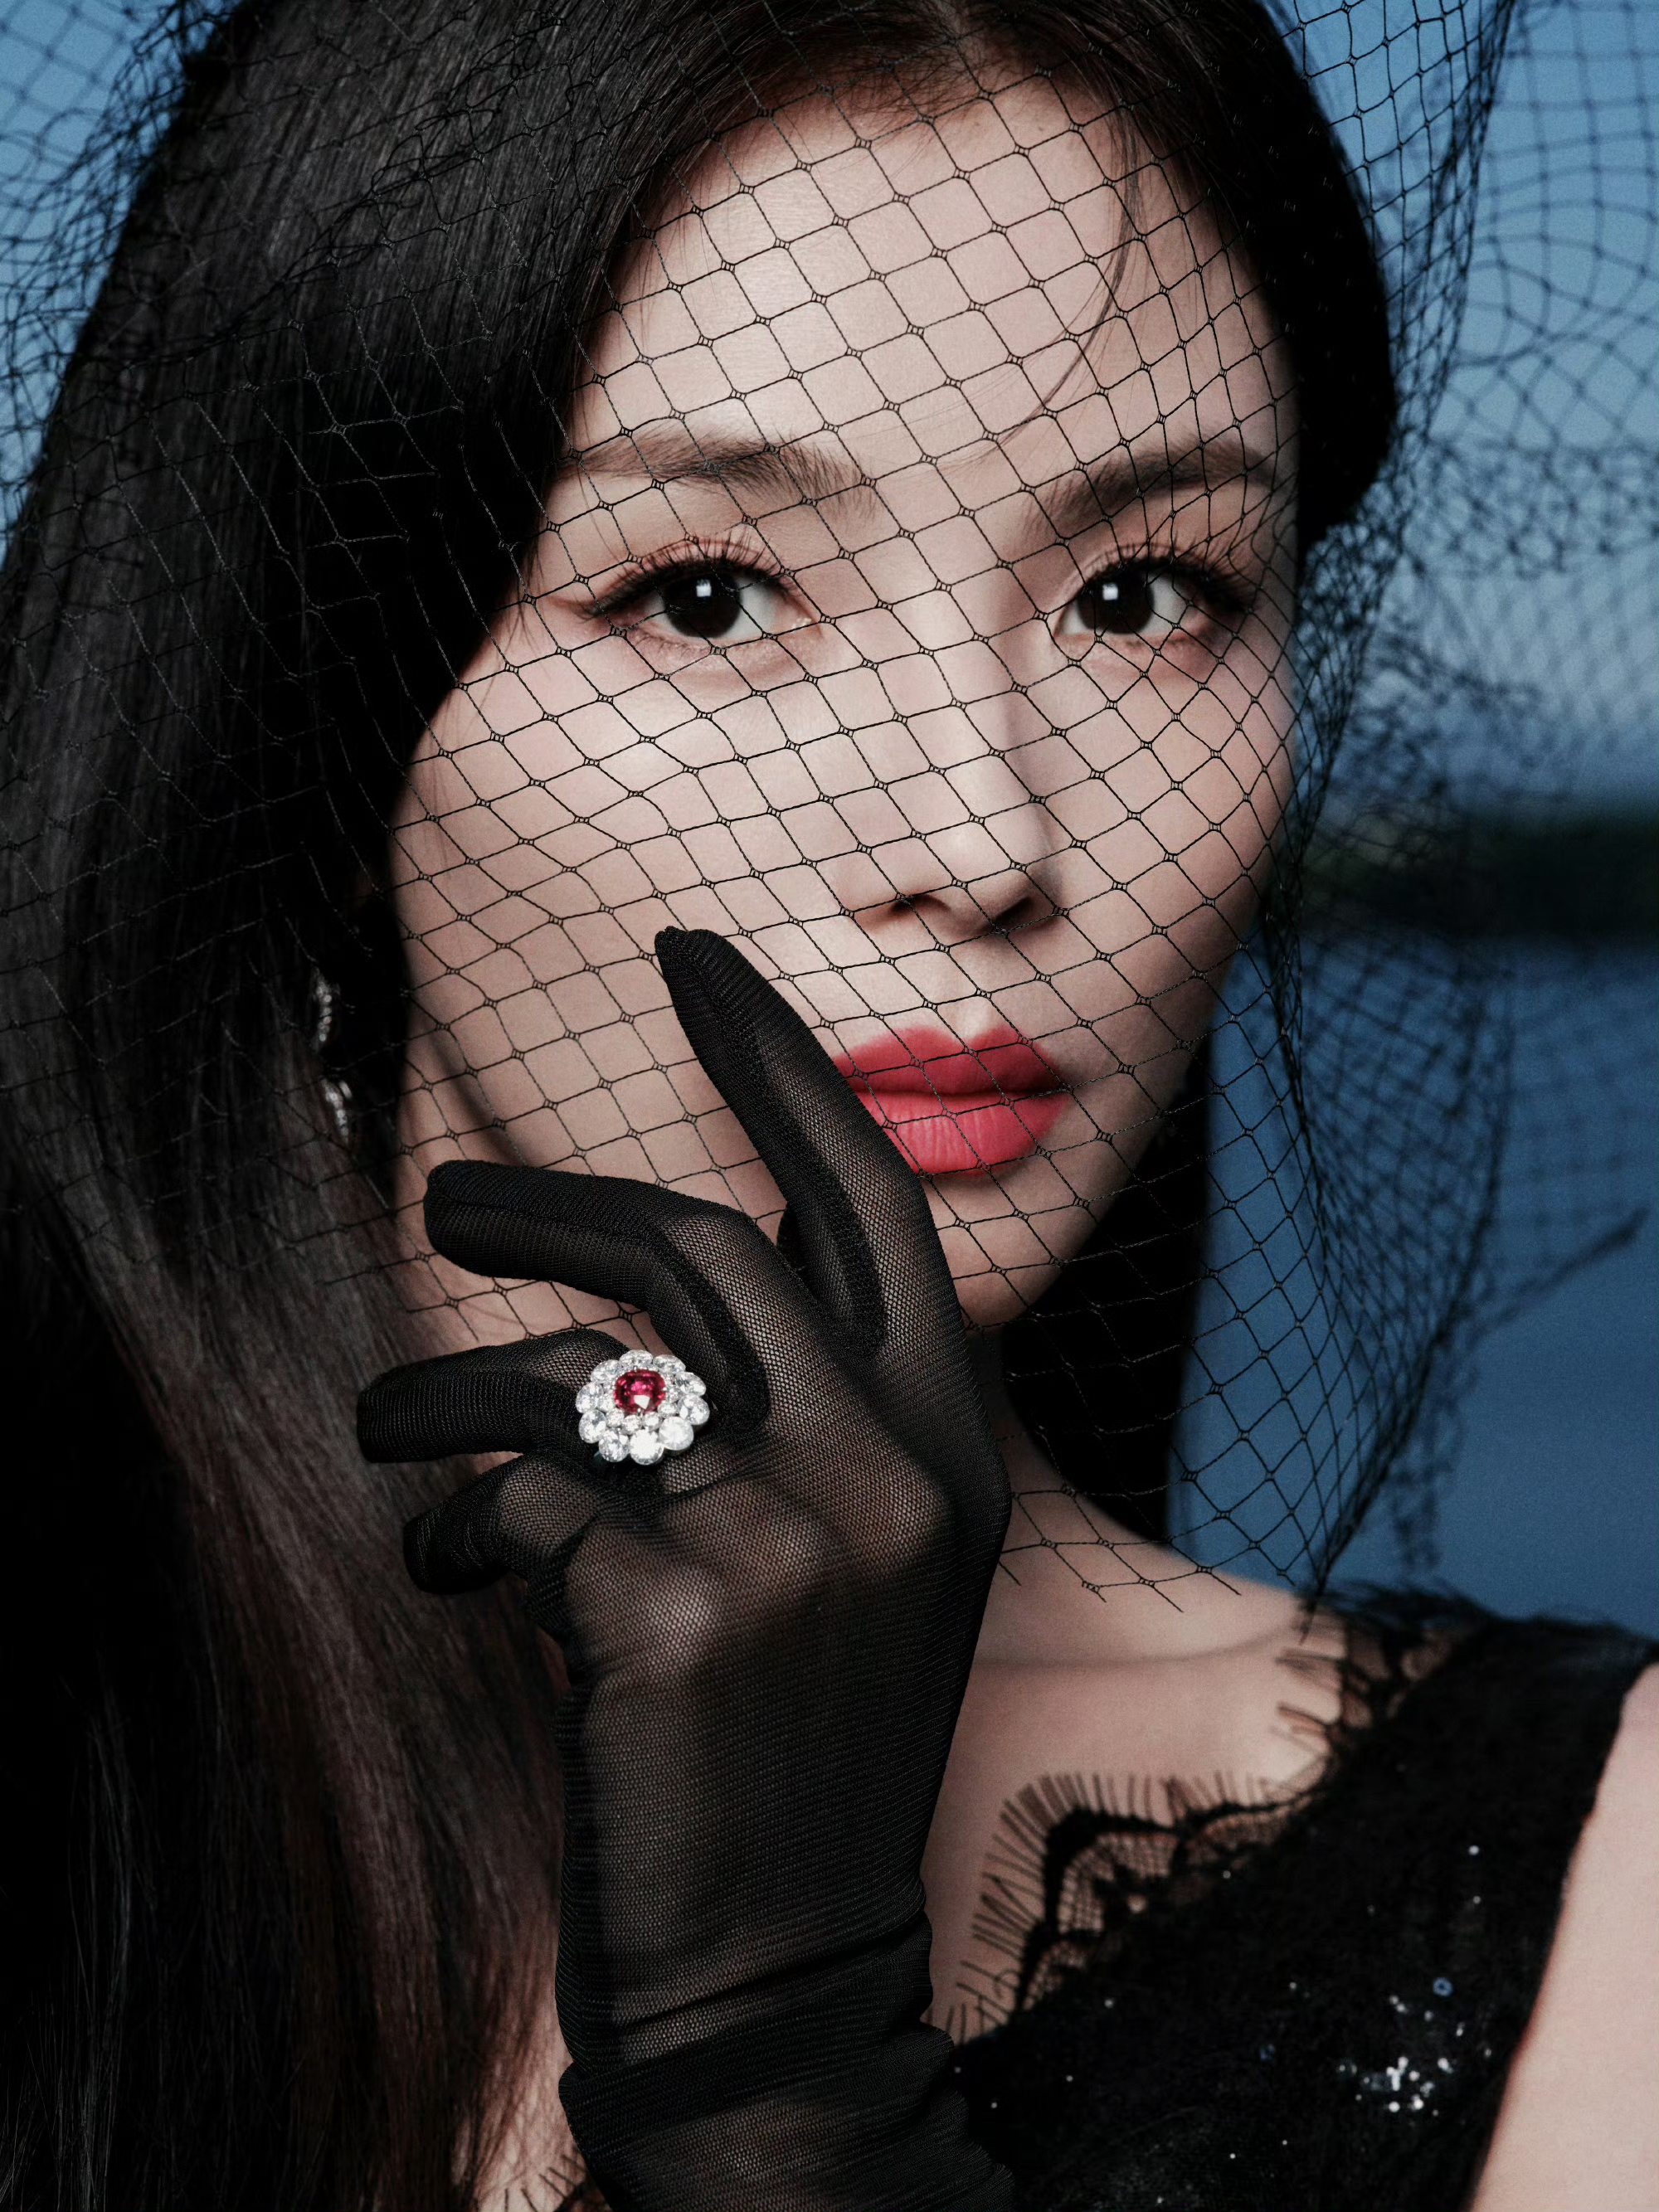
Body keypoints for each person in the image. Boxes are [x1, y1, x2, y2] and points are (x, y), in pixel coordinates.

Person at [0, 0, 1652, 2206]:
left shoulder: (1607, 1895)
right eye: (707, 597)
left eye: (1143, 595)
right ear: (315, 724)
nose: (983, 831)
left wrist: (777, 2095)